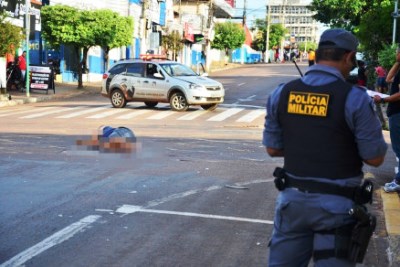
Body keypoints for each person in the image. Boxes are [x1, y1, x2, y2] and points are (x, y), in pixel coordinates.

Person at [263, 29, 387, 266]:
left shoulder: (282, 93)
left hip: (292, 203)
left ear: (318, 55)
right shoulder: (356, 98)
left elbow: (272, 149)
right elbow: (375, 158)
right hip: (337, 209)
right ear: (349, 57)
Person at [373, 48, 400, 193]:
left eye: (397, 52)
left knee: (399, 148)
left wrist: (384, 99)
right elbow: (389, 79)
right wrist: (397, 63)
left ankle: (398, 180)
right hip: (395, 112)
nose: (396, 54)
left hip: (398, 113)